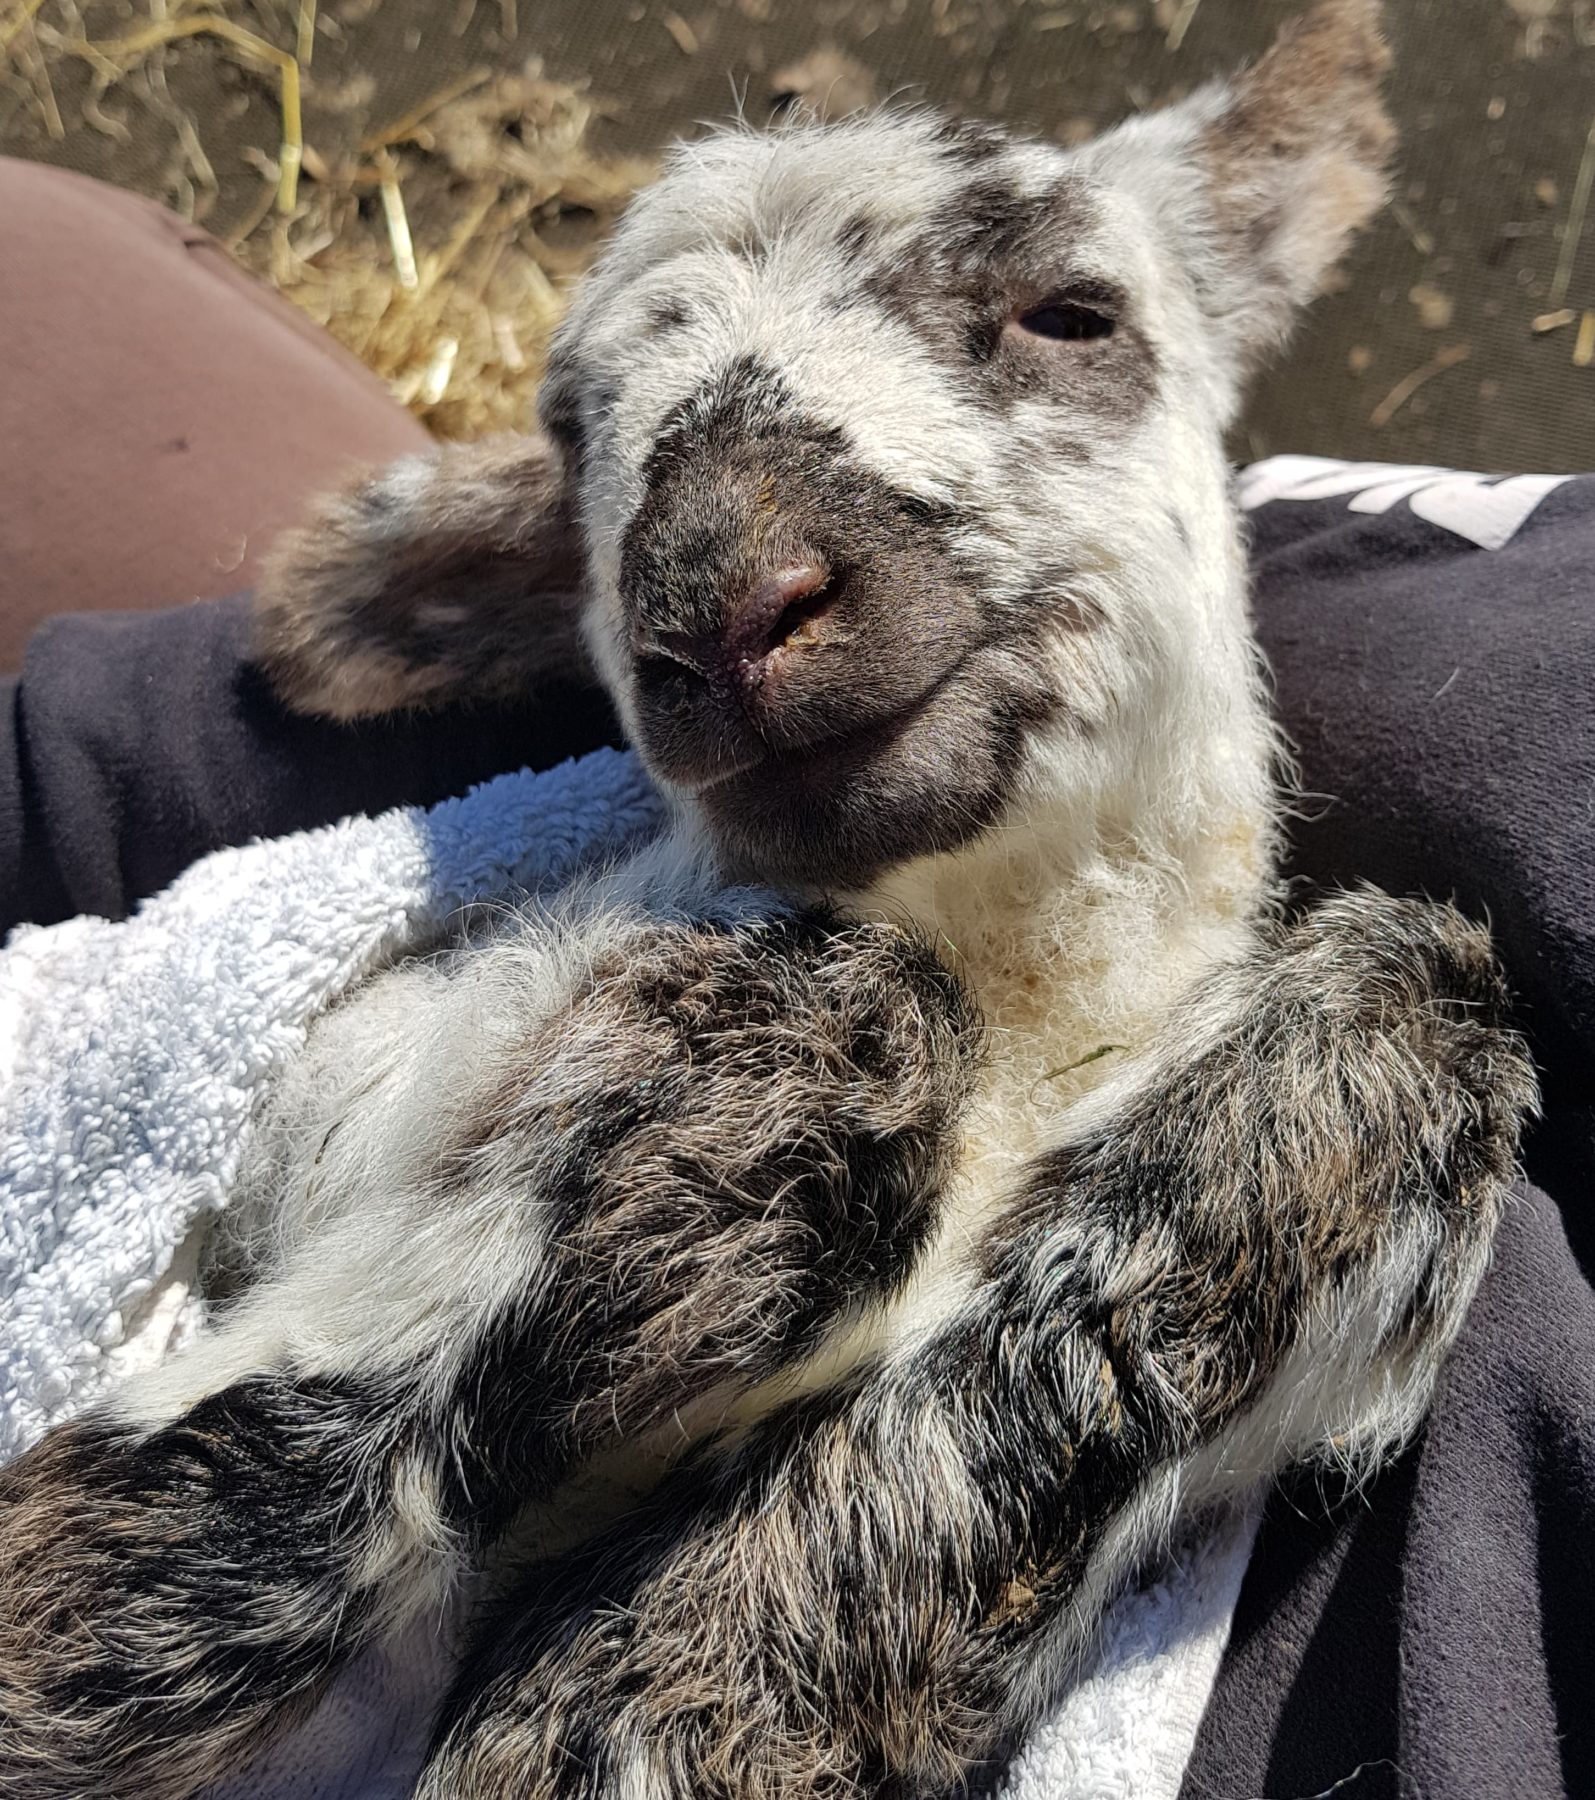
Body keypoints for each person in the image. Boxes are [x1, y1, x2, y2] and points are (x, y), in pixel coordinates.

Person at [1, 157, 1591, 1800]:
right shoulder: (707, 1015)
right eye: (607, 453)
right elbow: (217, 752)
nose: (724, 582)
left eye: (1053, 320)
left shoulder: (1365, 1078)